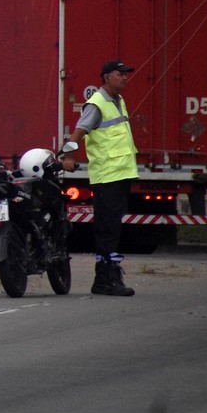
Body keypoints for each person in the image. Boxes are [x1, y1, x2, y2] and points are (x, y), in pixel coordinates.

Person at [70, 60, 138, 296]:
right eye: (121, 74)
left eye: (127, 74)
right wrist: (68, 154)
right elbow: (80, 130)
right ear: (107, 77)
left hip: (119, 175)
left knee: (112, 229)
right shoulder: (97, 103)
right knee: (107, 230)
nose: (125, 78)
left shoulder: (118, 101)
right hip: (106, 177)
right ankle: (105, 279)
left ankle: (106, 276)